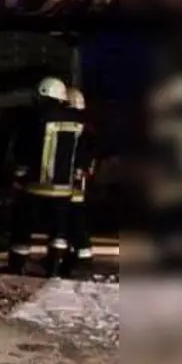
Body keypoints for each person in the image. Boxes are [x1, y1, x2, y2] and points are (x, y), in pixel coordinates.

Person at [8, 77, 88, 276]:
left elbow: (24, 149)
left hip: (35, 186)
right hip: (64, 189)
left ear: (43, 93)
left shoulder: (35, 117)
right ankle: (55, 268)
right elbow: (83, 153)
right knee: (59, 230)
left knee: (23, 226)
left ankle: (17, 266)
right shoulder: (78, 122)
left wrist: (18, 176)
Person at [65, 87, 97, 275]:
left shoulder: (79, 125)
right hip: (77, 179)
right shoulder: (85, 124)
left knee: (74, 217)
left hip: (73, 180)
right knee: (74, 217)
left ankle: (82, 255)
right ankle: (77, 253)